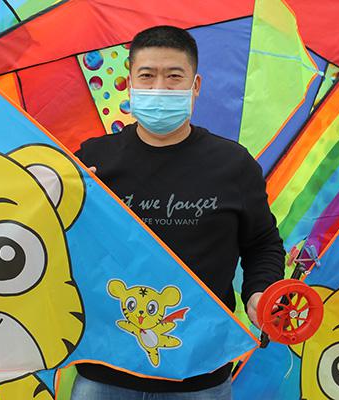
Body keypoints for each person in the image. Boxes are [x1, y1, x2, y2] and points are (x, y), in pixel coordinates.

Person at [71, 26, 285, 399]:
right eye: (147, 76)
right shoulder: (92, 159)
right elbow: (59, 239)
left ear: (195, 85)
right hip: (104, 370)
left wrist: (259, 291)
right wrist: (67, 202)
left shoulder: (233, 164)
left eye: (174, 77)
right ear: (129, 84)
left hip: (201, 373)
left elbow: (262, 242)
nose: (159, 89)